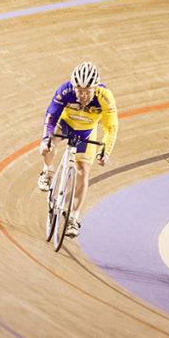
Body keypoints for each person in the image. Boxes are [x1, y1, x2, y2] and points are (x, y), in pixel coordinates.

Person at [37, 61, 118, 238]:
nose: (82, 95)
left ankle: (73, 218)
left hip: (87, 134)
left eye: (87, 92)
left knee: (83, 171)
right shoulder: (65, 90)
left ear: (95, 88)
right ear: (73, 86)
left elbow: (110, 127)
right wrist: (46, 140)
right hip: (65, 125)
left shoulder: (105, 97)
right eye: (79, 91)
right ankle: (48, 170)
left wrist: (106, 151)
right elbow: (51, 116)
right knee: (47, 147)